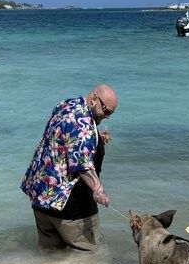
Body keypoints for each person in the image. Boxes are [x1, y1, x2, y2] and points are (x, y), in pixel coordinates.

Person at [20, 85, 118, 252]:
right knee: (88, 259)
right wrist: (98, 189)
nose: (107, 117)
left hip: (42, 201)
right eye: (106, 111)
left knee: (50, 256)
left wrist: (95, 136)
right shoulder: (84, 126)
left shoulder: (66, 105)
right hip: (71, 209)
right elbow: (82, 164)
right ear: (94, 100)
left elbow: (66, 134)